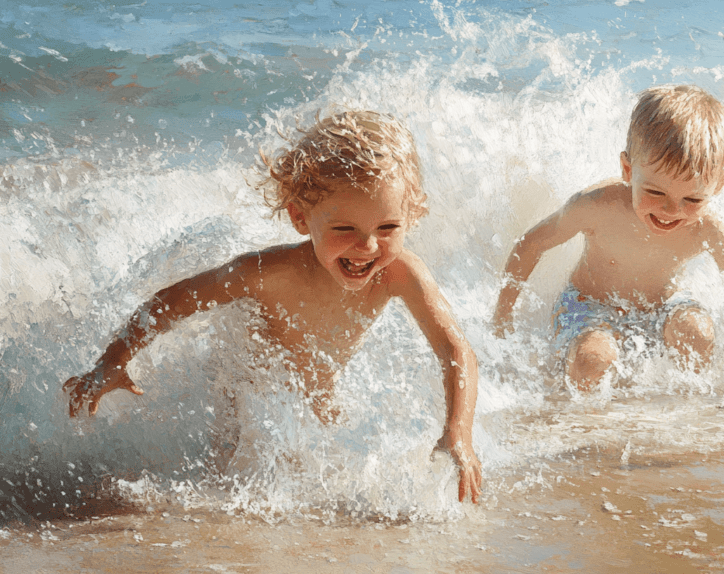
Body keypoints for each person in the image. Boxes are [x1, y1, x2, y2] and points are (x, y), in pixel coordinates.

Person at [63, 110, 483, 503]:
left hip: (317, 384)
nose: (368, 246)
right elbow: (174, 302)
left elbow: (455, 350)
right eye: (344, 228)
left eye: (388, 227)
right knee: (228, 482)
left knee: (324, 460)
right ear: (301, 218)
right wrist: (113, 361)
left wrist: (457, 432)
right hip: (245, 383)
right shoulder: (268, 272)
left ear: (411, 216)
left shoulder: (400, 273)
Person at [492, 85, 724, 393]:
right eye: (655, 192)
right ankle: (585, 427)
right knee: (593, 359)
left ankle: (684, 415)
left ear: (719, 185)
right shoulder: (597, 206)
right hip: (589, 307)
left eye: (692, 200)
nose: (670, 211)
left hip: (663, 307)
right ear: (627, 169)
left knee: (697, 333)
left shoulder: (709, 228)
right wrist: (502, 317)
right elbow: (532, 244)